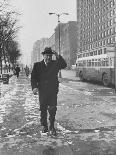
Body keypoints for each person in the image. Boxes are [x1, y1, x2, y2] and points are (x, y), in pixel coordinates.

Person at [31, 47, 67, 135]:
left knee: (52, 109)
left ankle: (51, 126)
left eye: (50, 56)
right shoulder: (37, 65)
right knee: (43, 108)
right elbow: (33, 77)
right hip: (42, 91)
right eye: (47, 56)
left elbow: (64, 65)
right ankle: (44, 126)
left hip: (53, 91)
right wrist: (34, 87)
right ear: (43, 56)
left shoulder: (55, 63)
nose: (49, 58)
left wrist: (57, 55)